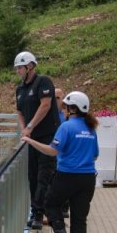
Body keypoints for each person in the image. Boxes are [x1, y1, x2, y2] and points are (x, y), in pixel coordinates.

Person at [21, 91, 99, 233]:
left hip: (67, 176)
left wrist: (30, 141)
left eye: (65, 106)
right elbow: (94, 156)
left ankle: (59, 231)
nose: (63, 109)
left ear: (73, 109)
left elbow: (52, 151)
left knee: (49, 202)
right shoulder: (91, 129)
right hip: (87, 179)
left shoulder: (66, 127)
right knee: (79, 217)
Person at [14, 51, 60, 230]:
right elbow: (19, 113)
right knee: (32, 176)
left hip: (47, 137)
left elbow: (46, 105)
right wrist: (23, 130)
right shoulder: (20, 89)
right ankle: (37, 213)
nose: (17, 71)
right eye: (17, 68)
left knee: (44, 176)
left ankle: (40, 214)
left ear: (30, 66)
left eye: (20, 67)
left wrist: (30, 127)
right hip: (31, 139)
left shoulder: (43, 82)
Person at [55, 87, 70, 218]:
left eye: (58, 98)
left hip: (64, 152)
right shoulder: (47, 113)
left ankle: (65, 207)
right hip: (52, 150)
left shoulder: (68, 114)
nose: (56, 101)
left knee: (65, 180)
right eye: (54, 98)